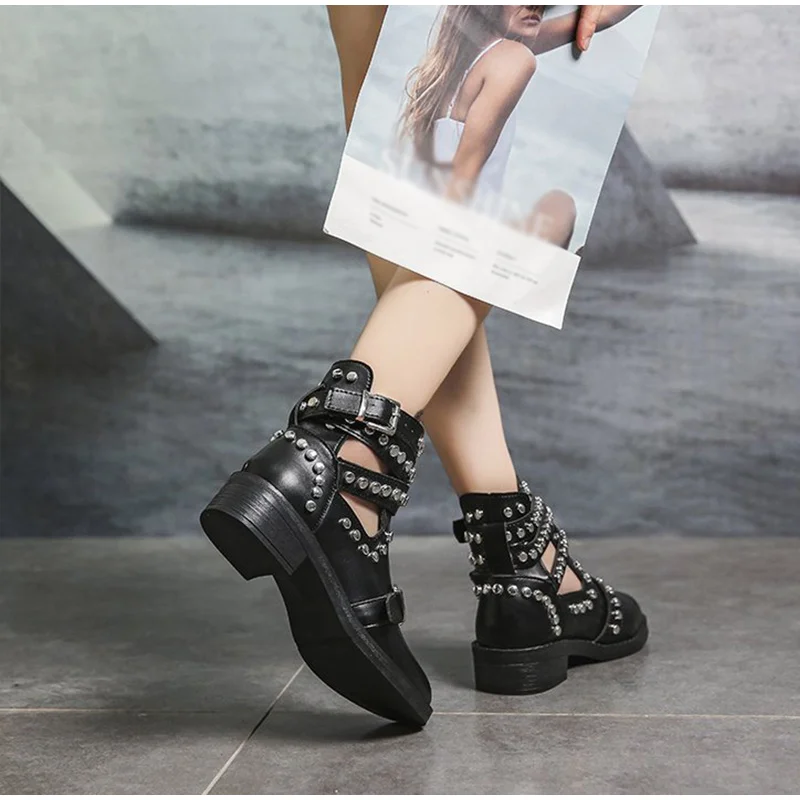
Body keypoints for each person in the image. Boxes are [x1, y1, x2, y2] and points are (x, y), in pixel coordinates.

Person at [199, 4, 648, 730]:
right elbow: (466, 186)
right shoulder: (511, 58)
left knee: (397, 207)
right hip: (470, 169)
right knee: (547, 210)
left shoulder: (447, 60)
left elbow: (543, 29)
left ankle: (515, 556)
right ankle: (338, 467)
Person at [399, 5, 638, 247]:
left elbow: (602, 15)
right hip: (458, 232)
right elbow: (463, 174)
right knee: (560, 209)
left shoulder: (457, 61)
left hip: (430, 216)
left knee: (557, 205)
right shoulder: (513, 58)